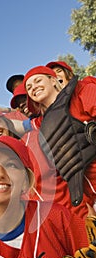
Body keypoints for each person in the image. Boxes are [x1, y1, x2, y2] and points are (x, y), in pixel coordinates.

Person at [22, 65, 96, 218]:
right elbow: (11, 125)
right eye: (29, 87)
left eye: (37, 81)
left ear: (53, 80)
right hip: (85, 197)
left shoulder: (82, 91)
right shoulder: (43, 124)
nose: (34, 87)